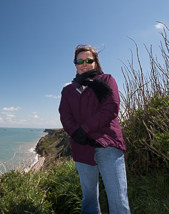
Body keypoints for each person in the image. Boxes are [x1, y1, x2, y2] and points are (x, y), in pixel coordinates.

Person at [59, 44, 131, 214]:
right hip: (82, 147)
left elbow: (111, 108)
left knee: (118, 199)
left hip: (108, 144)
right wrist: (77, 133)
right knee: (89, 199)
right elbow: (65, 116)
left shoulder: (106, 80)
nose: (84, 63)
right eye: (80, 60)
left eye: (88, 60)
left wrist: (83, 130)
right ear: (75, 64)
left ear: (95, 62)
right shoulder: (68, 90)